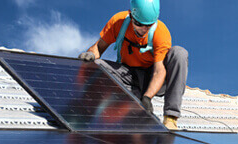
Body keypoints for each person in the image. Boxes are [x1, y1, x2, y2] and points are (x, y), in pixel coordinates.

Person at [78, 0, 188, 130]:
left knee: (179, 53)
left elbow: (159, 71)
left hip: (152, 79)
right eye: (139, 24)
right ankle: (90, 109)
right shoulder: (118, 22)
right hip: (129, 77)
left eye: (148, 25)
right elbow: (98, 47)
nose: (143, 29)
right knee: (97, 64)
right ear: (131, 16)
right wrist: (91, 55)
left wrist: (147, 98)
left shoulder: (161, 32)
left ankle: (170, 118)